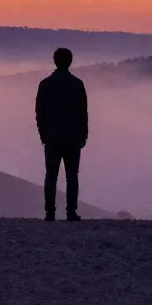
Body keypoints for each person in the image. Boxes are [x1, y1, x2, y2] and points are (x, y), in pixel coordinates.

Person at [36, 47, 88, 221]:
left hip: (52, 137)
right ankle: (71, 212)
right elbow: (83, 112)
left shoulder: (45, 84)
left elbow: (39, 113)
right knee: (72, 176)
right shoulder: (77, 84)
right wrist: (84, 135)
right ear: (70, 62)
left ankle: (50, 213)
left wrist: (43, 135)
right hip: (72, 137)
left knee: (51, 175)